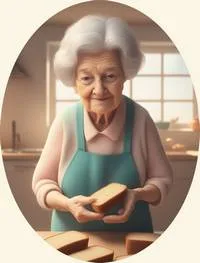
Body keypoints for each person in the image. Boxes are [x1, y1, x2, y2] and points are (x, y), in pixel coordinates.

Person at [32, 15, 173, 232]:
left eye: (109, 76)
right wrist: (68, 204)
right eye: (87, 78)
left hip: (131, 241)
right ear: (74, 83)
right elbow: (42, 183)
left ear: (125, 77)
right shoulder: (65, 121)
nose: (99, 90)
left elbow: (161, 180)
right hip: (69, 241)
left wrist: (137, 194)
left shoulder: (141, 119)